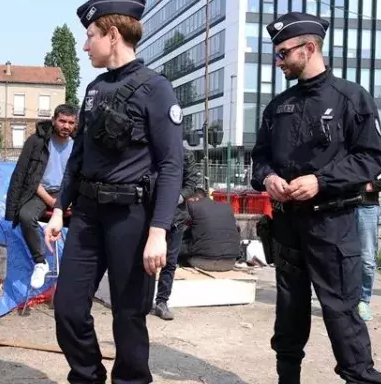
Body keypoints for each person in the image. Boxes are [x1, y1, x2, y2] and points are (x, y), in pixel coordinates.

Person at [43, 1, 184, 382]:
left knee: (128, 315)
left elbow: (172, 165)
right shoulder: (93, 89)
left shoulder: (156, 88)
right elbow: (78, 158)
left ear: (112, 35)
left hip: (132, 218)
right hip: (88, 213)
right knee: (69, 308)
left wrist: (158, 231)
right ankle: (87, 376)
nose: (85, 46)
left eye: (90, 36)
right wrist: (58, 210)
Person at [250, 12, 381, 383]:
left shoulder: (351, 98)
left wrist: (321, 181)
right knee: (289, 314)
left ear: (309, 48)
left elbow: (372, 158)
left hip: (333, 224)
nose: (277, 61)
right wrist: (269, 178)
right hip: (287, 225)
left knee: (342, 314)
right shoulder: (277, 107)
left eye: (283, 53)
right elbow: (259, 158)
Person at [5, 104, 77, 289]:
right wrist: (52, 202)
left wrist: (69, 201)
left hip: (68, 193)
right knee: (26, 216)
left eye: (70, 122)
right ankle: (40, 262)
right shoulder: (37, 142)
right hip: (41, 192)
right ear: (54, 120)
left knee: (88, 221)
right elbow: (26, 175)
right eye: (62, 121)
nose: (66, 126)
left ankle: (76, 269)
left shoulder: (79, 146)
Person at [153, 150, 200, 321]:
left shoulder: (185, 154)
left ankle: (162, 302)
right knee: (145, 259)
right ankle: (141, 300)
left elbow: (192, 181)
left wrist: (177, 197)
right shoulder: (150, 151)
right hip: (149, 214)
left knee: (170, 261)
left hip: (176, 217)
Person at [177, 188, 242, 272]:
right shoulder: (226, 207)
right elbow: (237, 231)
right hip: (230, 262)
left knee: (179, 244)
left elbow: (180, 232)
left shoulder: (192, 206)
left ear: (194, 199)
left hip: (205, 262)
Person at [356, 177, 381, 321]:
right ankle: (342, 299)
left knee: (366, 259)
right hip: (339, 207)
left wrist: (374, 185)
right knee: (335, 255)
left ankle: (363, 301)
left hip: (367, 207)